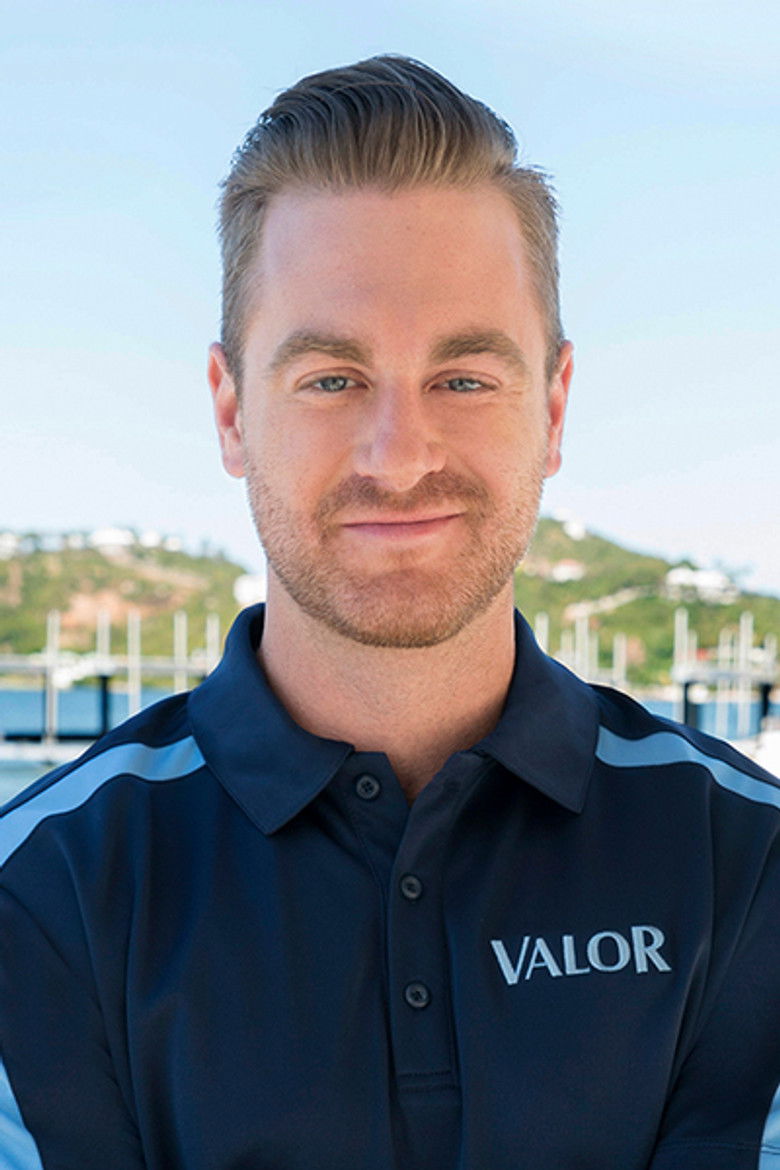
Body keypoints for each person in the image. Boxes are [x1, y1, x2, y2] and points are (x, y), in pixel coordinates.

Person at [1, 55, 779, 1170]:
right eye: (332, 379)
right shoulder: (42, 891)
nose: (399, 457)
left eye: (464, 379)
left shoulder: (745, 858)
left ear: (554, 409)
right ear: (231, 412)